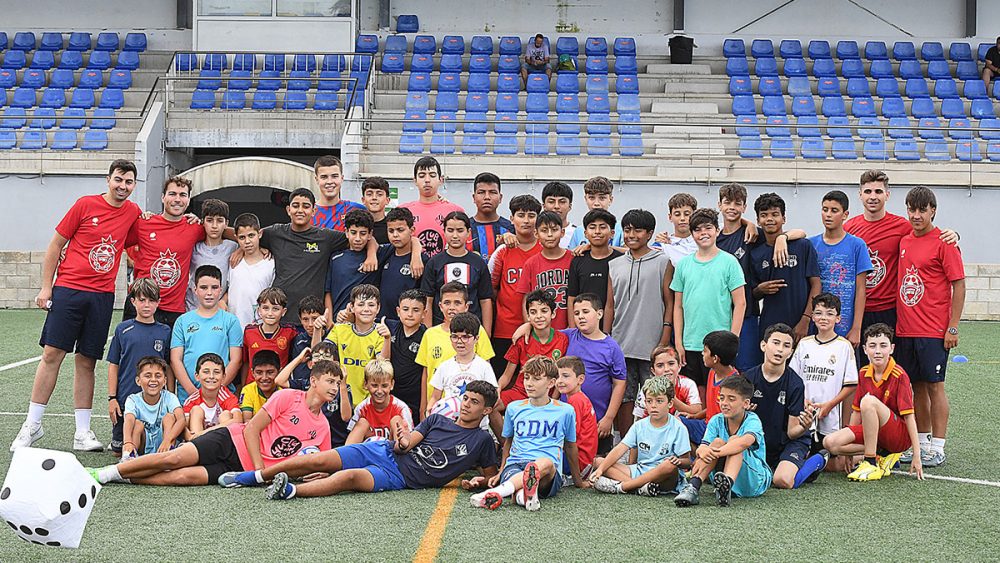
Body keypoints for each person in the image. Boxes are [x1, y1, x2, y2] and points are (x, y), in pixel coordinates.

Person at [13, 159, 141, 452]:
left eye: (129, 182)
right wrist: (47, 286)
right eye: (118, 179)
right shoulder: (84, 205)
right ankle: (32, 424)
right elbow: (56, 244)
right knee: (52, 354)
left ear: (134, 185)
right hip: (69, 290)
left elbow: (134, 243)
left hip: (102, 296)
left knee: (87, 361)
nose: (123, 186)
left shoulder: (132, 212)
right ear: (108, 179)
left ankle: (82, 433)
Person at [216, 381, 499, 499]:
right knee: (320, 459)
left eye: (474, 402)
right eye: (465, 398)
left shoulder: (483, 441)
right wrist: (400, 437)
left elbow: (490, 478)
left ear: (486, 410)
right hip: (382, 451)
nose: (467, 405)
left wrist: (479, 482)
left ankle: (289, 492)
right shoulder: (438, 420)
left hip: (400, 477)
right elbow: (407, 443)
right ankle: (253, 476)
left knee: (350, 478)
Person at [88, 360, 341, 487]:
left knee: (182, 477)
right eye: (330, 381)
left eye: (338, 384)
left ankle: (127, 477)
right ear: (314, 381)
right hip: (231, 440)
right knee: (173, 459)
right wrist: (260, 471)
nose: (335, 387)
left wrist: (320, 473)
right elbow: (252, 428)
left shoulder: (322, 427)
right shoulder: (287, 397)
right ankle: (108, 472)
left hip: (240, 468)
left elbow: (322, 461)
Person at [843, 170, 959, 345]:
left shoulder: (902, 227)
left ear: (887, 195)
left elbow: (930, 236)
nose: (873, 197)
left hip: (890, 310)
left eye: (878, 191)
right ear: (860, 195)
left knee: (889, 367)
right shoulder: (849, 228)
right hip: (856, 309)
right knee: (858, 368)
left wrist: (954, 234)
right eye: (868, 191)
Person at [896, 186, 965, 468]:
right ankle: (921, 441)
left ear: (932, 211)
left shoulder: (945, 242)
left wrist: (953, 326)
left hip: (933, 330)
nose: (916, 215)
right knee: (916, 387)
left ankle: (938, 446)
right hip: (905, 329)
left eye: (922, 210)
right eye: (912, 209)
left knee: (936, 387)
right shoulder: (904, 240)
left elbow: (958, 285)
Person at [471, 357, 587, 511]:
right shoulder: (514, 408)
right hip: (515, 464)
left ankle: (494, 493)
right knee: (522, 483)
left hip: (547, 471)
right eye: (526, 378)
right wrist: (501, 471)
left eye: (536, 379)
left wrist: (578, 480)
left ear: (551, 383)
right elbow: (508, 443)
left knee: (545, 462)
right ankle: (526, 498)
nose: (529, 383)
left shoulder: (565, 411)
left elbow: (571, 447)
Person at [258, 187, 378, 324]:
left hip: (313, 319)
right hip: (281, 315)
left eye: (306, 206)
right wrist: (240, 248)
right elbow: (246, 236)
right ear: (288, 210)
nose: (300, 210)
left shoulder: (326, 237)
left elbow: (362, 237)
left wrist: (371, 255)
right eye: (295, 206)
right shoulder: (275, 233)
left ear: (314, 211)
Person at [716, 183, 803, 372]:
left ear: (744, 207)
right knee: (721, 369)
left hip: (748, 313)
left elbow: (800, 233)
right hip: (719, 314)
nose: (732, 207)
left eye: (737, 203)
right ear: (719, 205)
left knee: (747, 368)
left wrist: (782, 238)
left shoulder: (755, 234)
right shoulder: (714, 239)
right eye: (727, 202)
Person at [823, 323, 923, 482]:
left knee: (868, 401)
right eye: (872, 346)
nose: (877, 351)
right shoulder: (863, 373)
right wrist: (850, 453)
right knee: (830, 443)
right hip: (874, 433)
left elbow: (910, 417)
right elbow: (856, 411)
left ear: (892, 348)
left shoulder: (899, 375)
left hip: (898, 436)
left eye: (883, 345)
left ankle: (870, 462)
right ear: (864, 349)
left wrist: (917, 454)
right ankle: (883, 454)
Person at [607, 209, 672, 436]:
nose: (631, 234)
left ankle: (653, 438)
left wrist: (665, 335)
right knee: (623, 394)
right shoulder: (614, 265)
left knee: (653, 394)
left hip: (651, 342)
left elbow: (669, 301)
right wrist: (607, 339)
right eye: (627, 230)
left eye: (638, 230)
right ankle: (625, 441)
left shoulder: (663, 261)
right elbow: (609, 305)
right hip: (620, 342)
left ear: (650, 233)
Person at [671, 208, 746, 399]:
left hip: (719, 346)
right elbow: (678, 306)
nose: (703, 233)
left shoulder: (729, 262)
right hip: (690, 344)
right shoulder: (684, 265)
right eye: (697, 229)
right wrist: (679, 342)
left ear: (717, 230)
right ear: (691, 233)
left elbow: (740, 303)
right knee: (695, 397)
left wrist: (732, 340)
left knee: (720, 395)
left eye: (708, 228)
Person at [673, 375, 772, 507]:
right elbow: (702, 447)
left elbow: (744, 443)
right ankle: (693, 487)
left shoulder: (752, 420)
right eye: (721, 397)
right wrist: (704, 451)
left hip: (753, 481)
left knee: (734, 441)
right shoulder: (716, 420)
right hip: (720, 472)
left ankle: (727, 485)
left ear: (746, 403)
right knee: (717, 442)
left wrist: (715, 453)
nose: (724, 403)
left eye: (731, 399)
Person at [788, 293, 859, 474]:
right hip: (805, 414)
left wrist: (830, 405)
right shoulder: (804, 344)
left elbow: (851, 384)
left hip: (830, 416)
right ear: (812, 317)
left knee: (836, 468)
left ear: (838, 318)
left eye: (829, 313)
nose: (823, 318)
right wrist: (802, 401)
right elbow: (792, 379)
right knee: (801, 455)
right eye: (818, 313)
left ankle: (870, 453)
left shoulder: (844, 346)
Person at [591, 376, 691, 496]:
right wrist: (600, 470)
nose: (653, 405)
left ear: (670, 403)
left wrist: (678, 461)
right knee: (598, 462)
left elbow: (687, 462)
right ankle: (639, 488)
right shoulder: (639, 425)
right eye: (649, 401)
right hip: (640, 470)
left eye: (659, 401)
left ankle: (623, 486)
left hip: (663, 477)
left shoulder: (678, 428)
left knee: (670, 466)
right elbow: (619, 449)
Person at [125, 176, 205, 326]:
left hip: (173, 309)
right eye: (172, 194)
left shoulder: (195, 227)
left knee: (172, 350)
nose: (177, 199)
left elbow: (220, 233)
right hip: (141, 303)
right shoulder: (144, 223)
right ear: (163, 197)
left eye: (183, 195)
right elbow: (115, 241)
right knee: (132, 349)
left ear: (188, 200)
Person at [106, 279, 172, 456]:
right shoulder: (122, 330)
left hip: (155, 401)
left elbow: (169, 367)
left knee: (155, 448)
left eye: (151, 300)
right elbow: (113, 365)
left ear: (158, 302)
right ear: (133, 301)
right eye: (142, 300)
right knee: (119, 451)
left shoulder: (165, 331)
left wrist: (170, 395)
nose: (146, 305)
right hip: (125, 399)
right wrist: (112, 398)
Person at [743, 323, 813, 489]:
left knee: (782, 480)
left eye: (786, 345)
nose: (780, 349)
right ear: (763, 345)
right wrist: (742, 414)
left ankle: (814, 464)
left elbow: (792, 432)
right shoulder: (748, 378)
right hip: (759, 442)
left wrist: (805, 426)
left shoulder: (795, 383)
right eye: (776, 343)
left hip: (789, 442)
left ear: (790, 352)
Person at [749, 192, 821, 342]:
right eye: (764, 215)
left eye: (775, 214)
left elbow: (816, 284)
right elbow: (753, 293)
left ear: (783, 218)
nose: (769, 219)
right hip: (770, 326)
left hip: (801, 324)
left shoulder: (802, 245)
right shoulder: (755, 254)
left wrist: (806, 319)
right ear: (758, 220)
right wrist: (759, 290)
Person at [416, 282, 495, 416]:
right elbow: (425, 373)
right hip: (438, 409)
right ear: (440, 306)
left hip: (470, 411)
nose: (452, 308)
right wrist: (423, 407)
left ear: (466, 306)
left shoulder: (478, 331)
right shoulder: (430, 334)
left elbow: (486, 368)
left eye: (457, 303)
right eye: (447, 303)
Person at [170, 265, 243, 403]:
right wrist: (193, 393)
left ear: (221, 290)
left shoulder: (230, 321)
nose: (209, 292)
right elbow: (175, 360)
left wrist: (215, 390)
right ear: (195, 290)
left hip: (221, 395)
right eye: (203, 288)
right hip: (188, 395)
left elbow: (236, 360)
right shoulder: (182, 321)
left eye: (214, 288)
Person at [808, 190, 873, 345]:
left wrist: (857, 327)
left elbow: (861, 289)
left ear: (845, 214)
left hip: (845, 328)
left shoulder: (857, 245)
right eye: (825, 210)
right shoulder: (811, 244)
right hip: (816, 327)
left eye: (834, 210)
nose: (828, 215)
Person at [488, 194, 542, 374]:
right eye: (521, 215)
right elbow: (492, 288)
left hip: (539, 330)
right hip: (505, 331)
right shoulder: (502, 251)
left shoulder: (545, 250)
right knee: (504, 383)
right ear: (512, 218)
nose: (526, 220)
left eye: (531, 215)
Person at [315, 284, 392, 406]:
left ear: (378, 308)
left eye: (371, 305)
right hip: (337, 400)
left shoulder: (380, 332)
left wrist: (387, 339)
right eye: (361, 304)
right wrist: (317, 330)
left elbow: (383, 365)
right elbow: (318, 356)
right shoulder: (340, 329)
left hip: (366, 403)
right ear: (351, 307)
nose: (366, 309)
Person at [420, 211, 494, 331]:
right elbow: (428, 299)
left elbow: (485, 300)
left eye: (460, 230)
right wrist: (428, 331)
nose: (455, 235)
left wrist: (487, 332)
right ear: (444, 231)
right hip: (441, 328)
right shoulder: (434, 262)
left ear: (468, 232)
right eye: (450, 230)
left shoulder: (478, 262)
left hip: (472, 329)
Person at [498, 290, 568, 408]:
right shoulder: (521, 339)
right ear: (528, 316)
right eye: (533, 312)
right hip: (520, 392)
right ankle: (507, 427)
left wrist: (553, 401)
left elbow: (560, 375)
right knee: (492, 405)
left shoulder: (563, 339)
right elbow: (506, 375)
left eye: (544, 311)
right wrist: (497, 388)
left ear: (553, 314)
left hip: (547, 395)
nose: (539, 316)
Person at [276, 342, 353, 447]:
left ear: (336, 364)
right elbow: (279, 381)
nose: (321, 359)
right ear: (311, 364)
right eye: (317, 356)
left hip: (336, 443)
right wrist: (299, 359)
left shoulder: (341, 387)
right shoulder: (306, 384)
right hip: (309, 442)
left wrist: (342, 385)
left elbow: (346, 417)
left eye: (326, 356)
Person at [427, 313, 499, 419]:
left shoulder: (484, 367)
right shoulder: (444, 367)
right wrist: (430, 412)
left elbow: (494, 398)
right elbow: (435, 397)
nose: (459, 342)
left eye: (466, 337)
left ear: (476, 338)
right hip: (449, 425)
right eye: (455, 337)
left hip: (476, 426)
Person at [681, 330, 740, 446]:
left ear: (715, 358)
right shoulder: (712, 372)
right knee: (674, 420)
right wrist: (695, 416)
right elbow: (713, 408)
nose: (702, 354)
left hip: (717, 434)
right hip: (706, 424)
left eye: (705, 351)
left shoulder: (733, 384)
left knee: (676, 425)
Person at [516, 211, 573, 329]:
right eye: (544, 230)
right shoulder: (531, 264)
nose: (550, 235)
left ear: (562, 232)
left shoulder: (573, 259)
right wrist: (528, 325)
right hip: (541, 330)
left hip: (569, 329)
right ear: (536, 233)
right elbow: (526, 299)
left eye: (554, 229)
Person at [567, 209, 622, 331]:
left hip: (616, 327)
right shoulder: (578, 260)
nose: (597, 232)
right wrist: (572, 330)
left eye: (602, 227)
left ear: (612, 233)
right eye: (592, 227)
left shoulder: (620, 260)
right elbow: (571, 298)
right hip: (584, 328)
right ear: (585, 233)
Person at [120, 356, 184, 459]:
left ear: (164, 381)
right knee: (137, 424)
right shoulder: (132, 399)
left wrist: (167, 440)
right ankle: (130, 456)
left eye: (158, 376)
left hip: (165, 441)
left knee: (169, 417)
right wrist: (127, 442)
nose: (153, 380)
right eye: (148, 376)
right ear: (138, 380)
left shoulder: (170, 397)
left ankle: (168, 454)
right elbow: (129, 419)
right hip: (143, 443)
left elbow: (181, 419)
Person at [398, 156, 464, 256]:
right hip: (412, 268)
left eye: (432, 175)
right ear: (415, 180)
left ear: (441, 180)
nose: (427, 180)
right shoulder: (403, 211)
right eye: (422, 175)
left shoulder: (455, 211)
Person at [184, 199, 238, 312]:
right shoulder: (193, 246)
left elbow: (236, 282)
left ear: (226, 223)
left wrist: (224, 300)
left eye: (219, 221)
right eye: (209, 220)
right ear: (203, 222)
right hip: (192, 308)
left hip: (219, 309)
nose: (214, 226)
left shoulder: (233, 247)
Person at [325, 209, 380, 319]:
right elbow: (328, 293)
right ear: (346, 232)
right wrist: (329, 321)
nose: (358, 238)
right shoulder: (335, 258)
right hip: (339, 321)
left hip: (366, 322)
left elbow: (412, 241)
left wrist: (372, 254)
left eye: (363, 233)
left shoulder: (380, 255)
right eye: (353, 233)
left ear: (370, 234)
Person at [376, 207, 427, 322]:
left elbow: (426, 298)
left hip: (407, 323)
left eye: (400, 230)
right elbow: (371, 243)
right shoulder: (385, 253)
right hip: (382, 321)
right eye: (391, 231)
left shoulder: (422, 261)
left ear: (412, 230)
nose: (395, 235)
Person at [346, 359, 413, 443]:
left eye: (384, 386)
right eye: (374, 385)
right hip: (369, 452)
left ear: (392, 384)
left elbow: (410, 440)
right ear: (365, 384)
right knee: (362, 423)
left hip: (393, 452)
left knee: (397, 420)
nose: (379, 391)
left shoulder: (401, 408)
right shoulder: (361, 409)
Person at [241, 287, 297, 385]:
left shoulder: (290, 332)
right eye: (266, 308)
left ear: (283, 312)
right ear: (259, 310)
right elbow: (245, 362)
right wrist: (243, 386)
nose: (270, 313)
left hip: (278, 387)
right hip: (253, 387)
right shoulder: (249, 332)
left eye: (275, 309)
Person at [227, 212, 274, 328]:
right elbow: (229, 288)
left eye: (251, 235)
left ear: (260, 234)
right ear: (236, 238)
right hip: (233, 326)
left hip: (260, 327)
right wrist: (222, 302)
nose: (247, 241)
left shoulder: (271, 263)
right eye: (242, 237)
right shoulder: (233, 262)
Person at [386, 290, 428, 417]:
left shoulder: (427, 336)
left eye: (416, 310)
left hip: (414, 399)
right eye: (405, 309)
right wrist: (347, 314)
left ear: (424, 313)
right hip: (389, 394)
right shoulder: (388, 326)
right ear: (398, 311)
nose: (410, 314)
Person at [554, 356, 598, 481]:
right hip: (585, 461)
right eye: (557, 376)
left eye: (565, 376)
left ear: (580, 379)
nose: (560, 381)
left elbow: (570, 437)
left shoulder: (576, 400)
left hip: (579, 465)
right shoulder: (579, 397)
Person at [632, 345, 702, 421]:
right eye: (660, 366)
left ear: (679, 366)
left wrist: (672, 399)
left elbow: (697, 411)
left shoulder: (687, 384)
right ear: (653, 371)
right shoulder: (648, 388)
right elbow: (639, 418)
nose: (666, 369)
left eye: (671, 364)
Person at [182, 353, 241, 438]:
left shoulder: (227, 397)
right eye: (206, 372)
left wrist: (204, 433)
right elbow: (183, 426)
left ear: (223, 376)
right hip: (199, 443)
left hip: (222, 443)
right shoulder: (191, 400)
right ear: (197, 376)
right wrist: (191, 437)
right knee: (196, 410)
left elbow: (238, 420)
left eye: (216, 372)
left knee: (226, 414)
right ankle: (198, 446)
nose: (211, 376)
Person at [311, 155, 363, 231]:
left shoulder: (356, 210)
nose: (329, 181)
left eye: (334, 176)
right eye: (324, 177)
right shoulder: (308, 213)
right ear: (316, 180)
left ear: (342, 178)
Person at [469, 172, 513, 257]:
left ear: (500, 198)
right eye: (481, 192)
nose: (487, 197)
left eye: (492, 192)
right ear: (474, 198)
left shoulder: (510, 228)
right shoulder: (464, 228)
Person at [571, 176, 624, 247]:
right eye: (591, 197)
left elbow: (631, 254)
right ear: (586, 199)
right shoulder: (578, 231)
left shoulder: (621, 227)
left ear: (610, 200)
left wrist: (594, 248)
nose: (596, 203)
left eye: (602, 198)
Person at [288, 296, 324, 388]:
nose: (310, 324)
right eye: (305, 319)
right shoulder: (296, 340)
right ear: (300, 319)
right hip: (300, 390)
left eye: (315, 318)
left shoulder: (332, 337)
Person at [655, 193, 698, 266]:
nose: (682, 218)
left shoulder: (704, 242)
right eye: (677, 214)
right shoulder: (662, 245)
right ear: (670, 217)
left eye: (687, 214)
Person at [541, 181, 584, 249]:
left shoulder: (578, 233)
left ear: (570, 206)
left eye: (562, 202)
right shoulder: (536, 234)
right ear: (544, 206)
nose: (557, 206)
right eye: (551, 202)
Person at [239, 350, 281, 418]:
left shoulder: (284, 392)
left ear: (279, 371)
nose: (264, 378)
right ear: (252, 373)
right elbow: (246, 420)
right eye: (259, 372)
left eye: (270, 372)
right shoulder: (248, 390)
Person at [361, 176, 392, 244]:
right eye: (369, 194)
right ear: (363, 200)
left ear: (387, 200)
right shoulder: (357, 226)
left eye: (379, 194)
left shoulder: (392, 226)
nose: (374, 198)